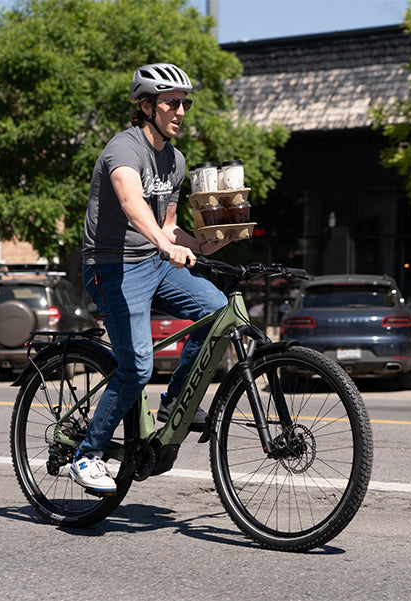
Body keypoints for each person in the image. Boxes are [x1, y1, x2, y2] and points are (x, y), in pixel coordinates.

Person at [71, 63, 233, 492]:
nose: (180, 111)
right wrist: (164, 243)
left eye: (185, 103)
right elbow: (130, 202)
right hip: (112, 267)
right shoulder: (123, 150)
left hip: (153, 262)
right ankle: (87, 455)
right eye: (171, 103)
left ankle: (175, 403)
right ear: (146, 106)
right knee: (138, 365)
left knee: (217, 312)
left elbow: (169, 223)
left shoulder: (175, 160)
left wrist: (201, 245)